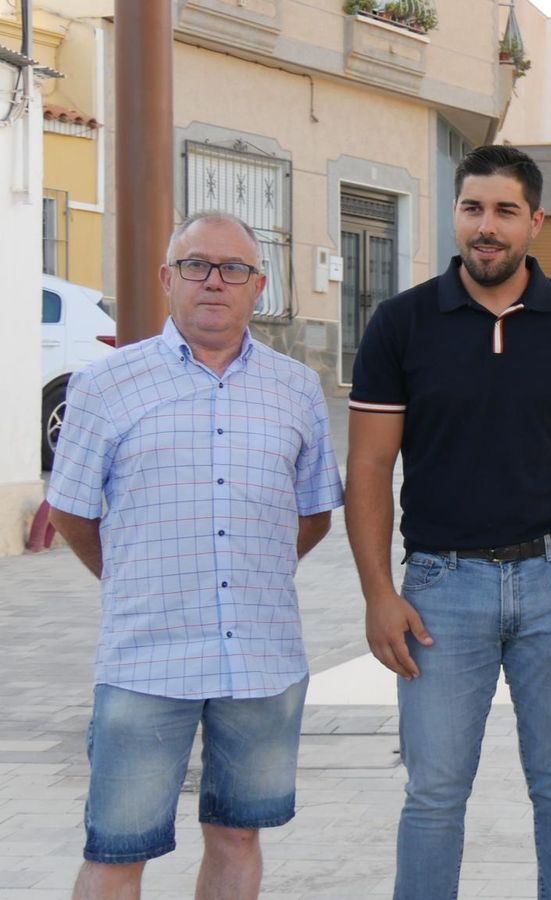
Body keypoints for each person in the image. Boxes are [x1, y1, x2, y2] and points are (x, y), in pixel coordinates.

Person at [48, 211, 343, 899]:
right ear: (166, 278)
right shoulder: (104, 386)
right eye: (197, 265)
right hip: (147, 657)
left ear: (258, 286)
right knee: (118, 846)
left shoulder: (297, 390)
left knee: (239, 835)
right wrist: (132, 579)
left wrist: (245, 574)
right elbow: (71, 513)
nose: (215, 280)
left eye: (234, 268)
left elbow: (313, 514)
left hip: (262, 660)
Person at [346, 145, 551, 900]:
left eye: (503, 211)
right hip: (439, 590)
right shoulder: (401, 325)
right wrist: (376, 594)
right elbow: (368, 468)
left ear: (535, 221)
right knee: (432, 795)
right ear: (456, 216)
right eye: (472, 209)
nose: (485, 227)